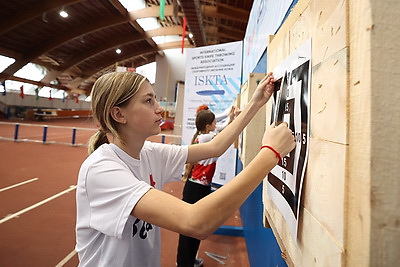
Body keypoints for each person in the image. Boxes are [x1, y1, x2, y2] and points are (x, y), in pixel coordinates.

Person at [75, 71, 295, 267]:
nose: (160, 108)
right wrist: (270, 154)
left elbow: (215, 147)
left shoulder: (149, 152)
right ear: (119, 115)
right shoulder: (101, 170)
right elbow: (196, 222)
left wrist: (255, 104)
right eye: (149, 101)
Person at [177, 104, 235, 267]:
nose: (216, 124)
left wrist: (230, 114)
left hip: (198, 187)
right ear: (208, 126)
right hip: (196, 188)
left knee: (196, 226)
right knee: (190, 227)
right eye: (214, 122)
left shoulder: (203, 135)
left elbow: (222, 125)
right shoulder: (206, 138)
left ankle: (188, 260)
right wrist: (232, 117)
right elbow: (224, 130)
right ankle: (184, 263)